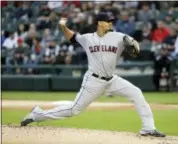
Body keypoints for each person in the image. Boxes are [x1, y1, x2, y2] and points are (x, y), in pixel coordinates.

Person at [21, 12, 165, 137]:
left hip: (111, 80)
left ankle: (148, 128)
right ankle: (37, 114)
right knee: (73, 110)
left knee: (136, 93)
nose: (111, 23)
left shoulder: (119, 36)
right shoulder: (88, 38)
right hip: (93, 81)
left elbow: (135, 47)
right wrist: (63, 27)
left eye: (112, 21)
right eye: (108, 21)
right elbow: (72, 37)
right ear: (100, 23)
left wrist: (134, 45)